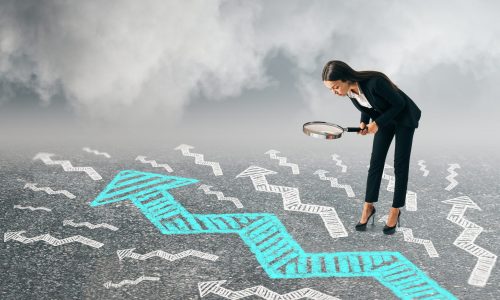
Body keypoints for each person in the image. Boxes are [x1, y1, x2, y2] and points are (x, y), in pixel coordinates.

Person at [322, 60, 421, 235]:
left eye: (335, 87)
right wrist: (364, 122)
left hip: (404, 117)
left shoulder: (375, 82)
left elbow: (399, 104)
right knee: (376, 162)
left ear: (345, 79)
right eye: (331, 89)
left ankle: (395, 210)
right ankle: (368, 207)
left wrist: (377, 124)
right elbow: (367, 104)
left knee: (400, 165)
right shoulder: (349, 92)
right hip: (385, 118)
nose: (334, 92)